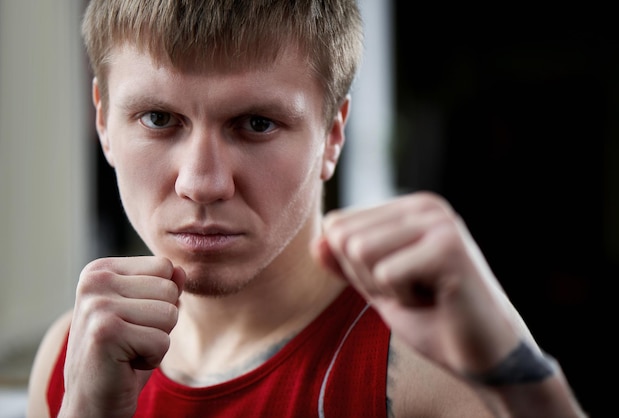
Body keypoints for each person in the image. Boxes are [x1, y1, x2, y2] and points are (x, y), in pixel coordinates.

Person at [26, 0, 587, 417]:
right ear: (102, 119)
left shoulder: (419, 371)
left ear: (334, 133)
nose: (202, 183)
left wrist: (519, 376)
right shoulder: (67, 361)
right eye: (158, 118)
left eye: (257, 124)